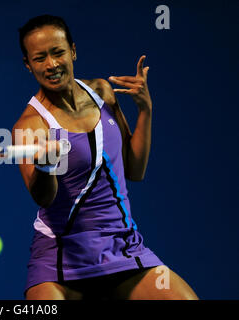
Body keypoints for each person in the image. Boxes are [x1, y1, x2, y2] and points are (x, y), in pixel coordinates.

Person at [12, 14, 198, 300]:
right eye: (39, 58)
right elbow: (43, 198)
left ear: (73, 50)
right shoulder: (30, 126)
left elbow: (134, 170)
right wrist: (46, 164)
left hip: (123, 246)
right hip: (61, 258)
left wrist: (145, 111)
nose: (51, 64)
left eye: (58, 52)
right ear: (28, 64)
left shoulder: (102, 91)